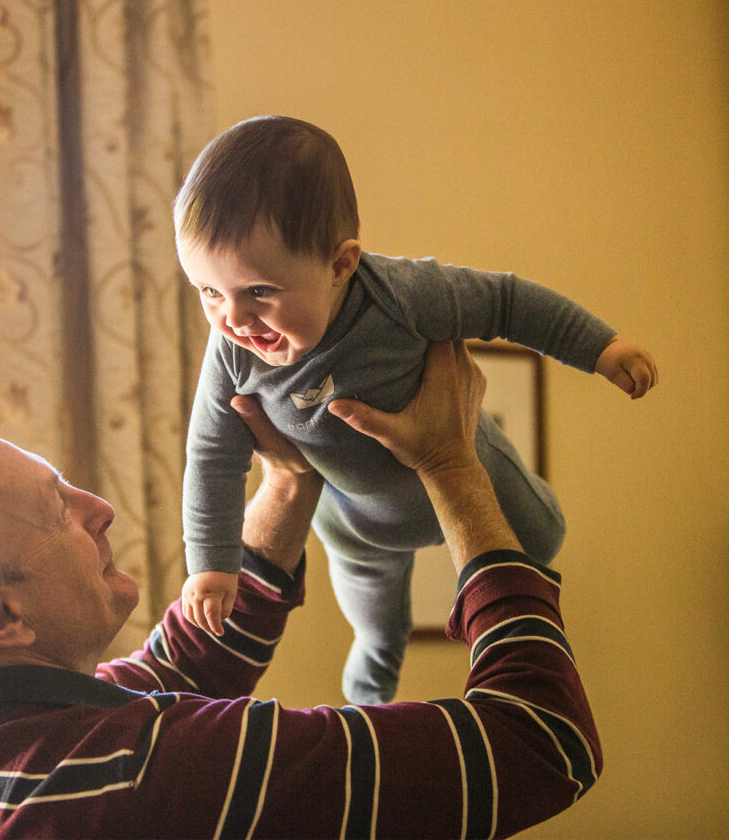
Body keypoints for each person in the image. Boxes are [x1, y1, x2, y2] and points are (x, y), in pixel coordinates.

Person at [0, 340, 602, 839]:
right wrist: (451, 465)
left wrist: (289, 478)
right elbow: (541, 741)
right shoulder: (150, 774)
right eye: (58, 509)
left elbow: (178, 666)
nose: (98, 509)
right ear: (2, 615)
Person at [176, 114, 658, 703]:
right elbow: (211, 457)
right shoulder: (232, 353)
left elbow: (506, 302)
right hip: (357, 524)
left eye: (259, 292)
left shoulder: (402, 295)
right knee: (378, 627)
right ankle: (370, 698)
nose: (234, 319)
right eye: (208, 292)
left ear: (340, 265)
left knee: (543, 537)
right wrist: (212, 564)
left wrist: (601, 347)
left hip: (469, 464)